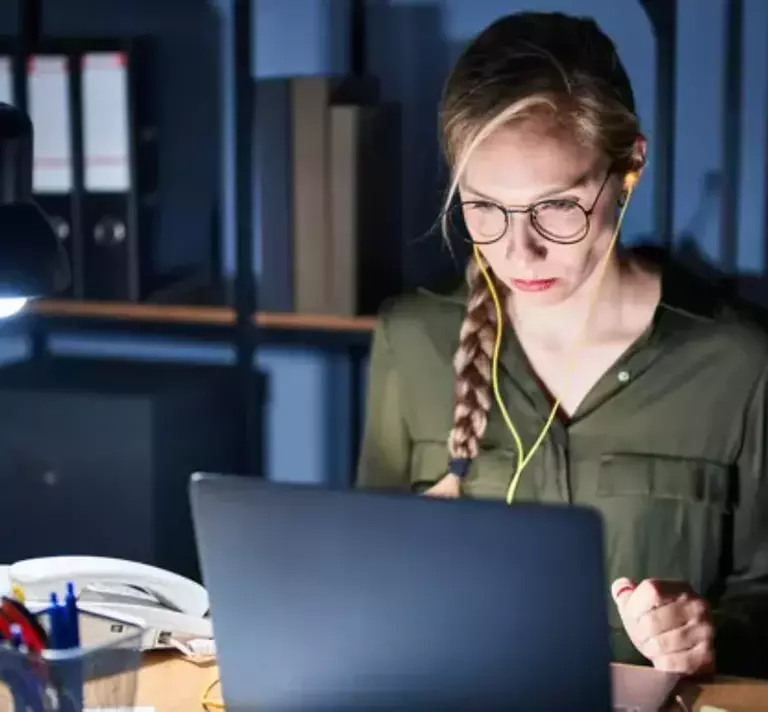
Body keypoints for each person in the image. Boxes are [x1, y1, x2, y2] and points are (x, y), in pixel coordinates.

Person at [355, 11, 768, 680]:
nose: (518, 251)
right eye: (483, 206)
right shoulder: (412, 340)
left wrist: (708, 634)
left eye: (558, 206)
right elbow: (360, 582)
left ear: (630, 165)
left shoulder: (742, 361)